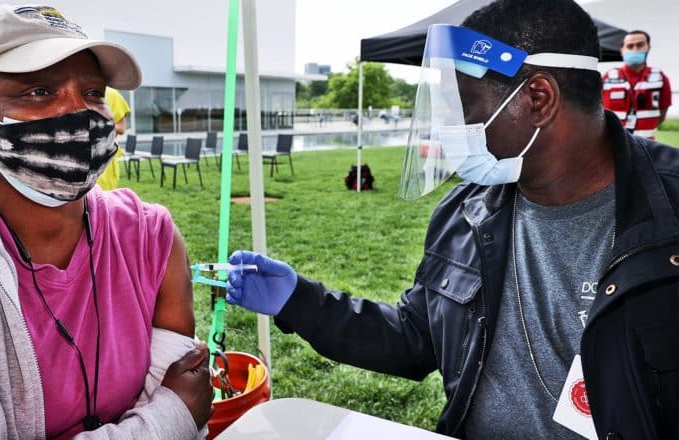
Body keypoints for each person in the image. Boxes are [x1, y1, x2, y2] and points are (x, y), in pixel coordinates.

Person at [224, 1, 679, 439]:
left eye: (464, 106)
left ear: (539, 99)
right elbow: (415, 336)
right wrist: (299, 301)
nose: (448, 130)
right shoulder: (468, 211)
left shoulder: (669, 208)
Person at [0, 4, 213, 439]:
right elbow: (178, 406)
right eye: (38, 91)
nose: (80, 114)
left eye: (93, 93)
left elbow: (176, 380)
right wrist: (172, 417)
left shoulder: (150, 237)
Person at [602, 30, 672, 139]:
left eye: (640, 45)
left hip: (647, 146)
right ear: (622, 50)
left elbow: (662, 114)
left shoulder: (660, 78)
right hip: (614, 145)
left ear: (648, 47)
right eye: (630, 46)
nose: (635, 50)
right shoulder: (607, 77)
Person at [96, 87, 130, 190]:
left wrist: (98, 127)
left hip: (105, 162)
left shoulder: (112, 94)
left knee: (102, 199)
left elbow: (121, 127)